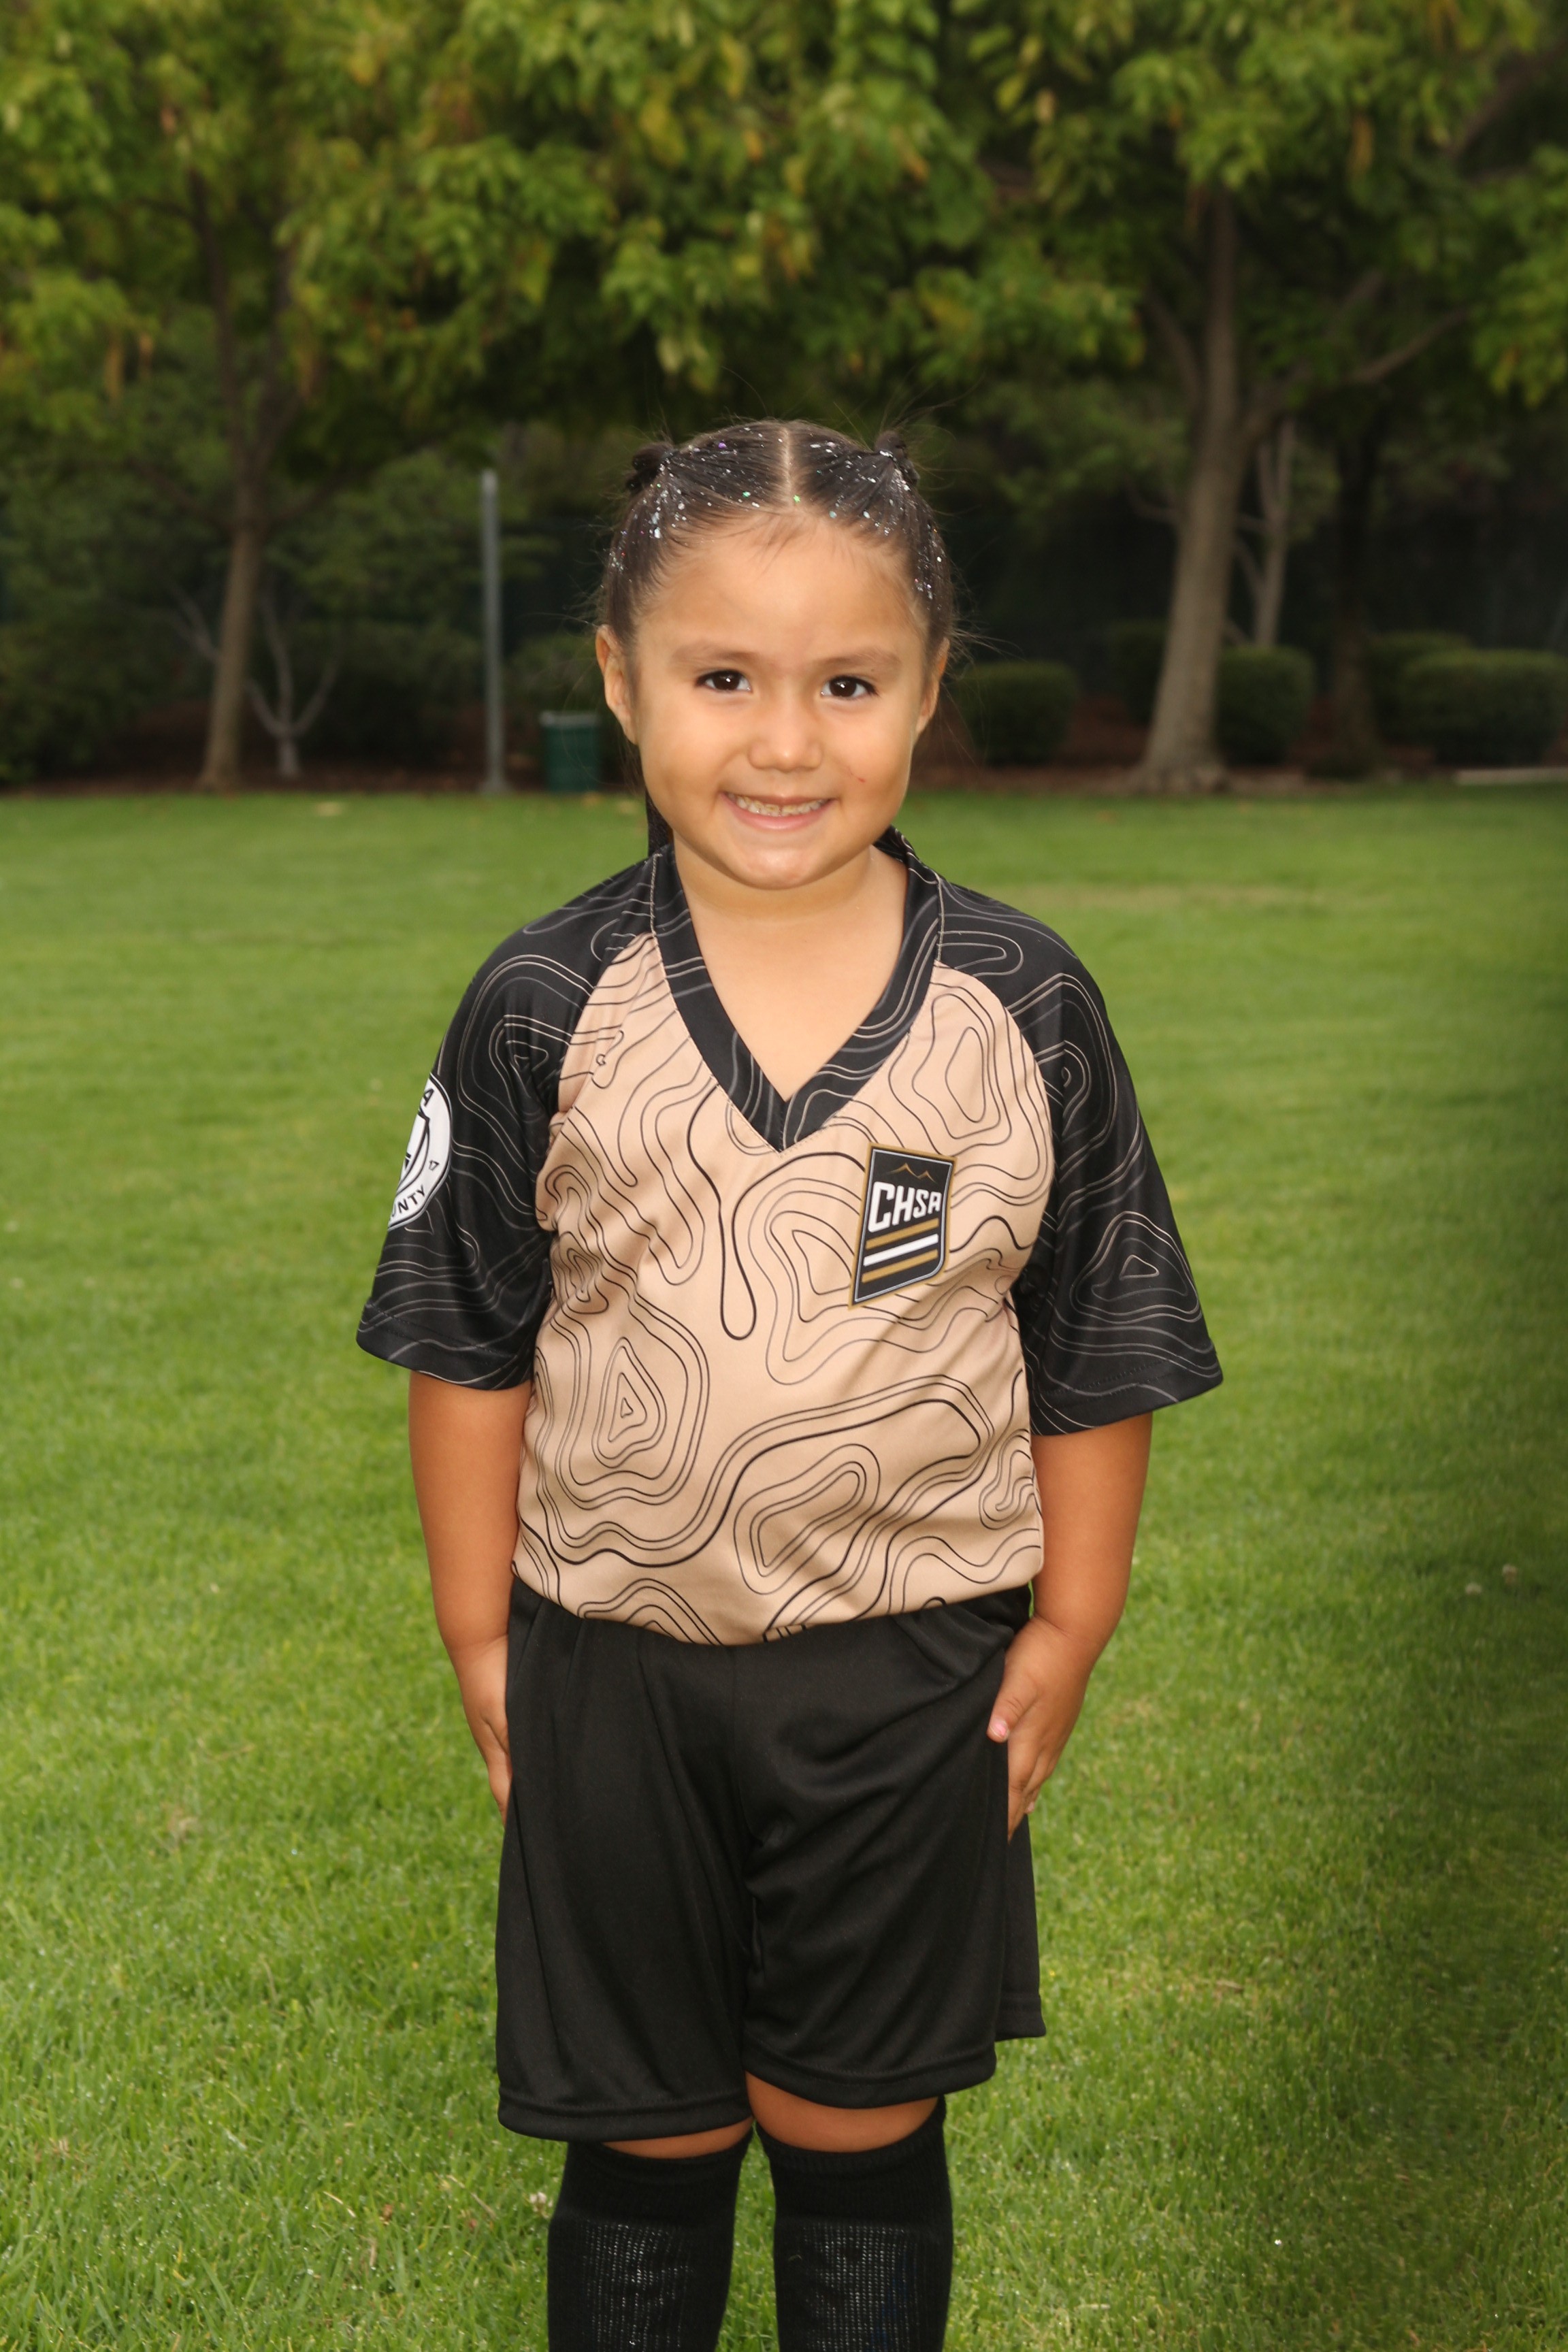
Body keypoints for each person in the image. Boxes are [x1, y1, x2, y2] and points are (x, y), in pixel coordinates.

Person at [357, 420, 1222, 2352]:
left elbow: (1095, 1330)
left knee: (856, 2120)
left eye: (848, 684)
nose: (785, 742)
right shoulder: (542, 1002)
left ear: (928, 689)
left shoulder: (1023, 1004)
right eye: (724, 678)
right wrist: (485, 1634)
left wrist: (1072, 1620)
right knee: (646, 2132)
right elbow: (468, 1330)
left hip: (910, 1672)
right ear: (619, 681)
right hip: (613, 1664)